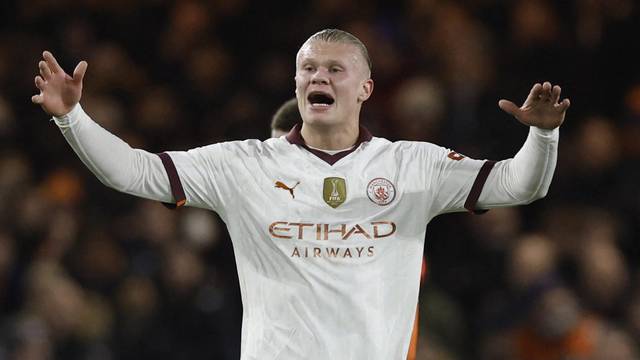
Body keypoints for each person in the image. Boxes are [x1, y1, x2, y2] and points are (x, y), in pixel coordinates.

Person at [32, 29, 570, 359]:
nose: (320, 77)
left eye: (336, 69)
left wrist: (542, 134)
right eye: (309, 68)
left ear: (365, 89)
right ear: (296, 86)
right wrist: (72, 118)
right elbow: (134, 172)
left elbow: (519, 186)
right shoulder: (244, 165)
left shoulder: (413, 165)